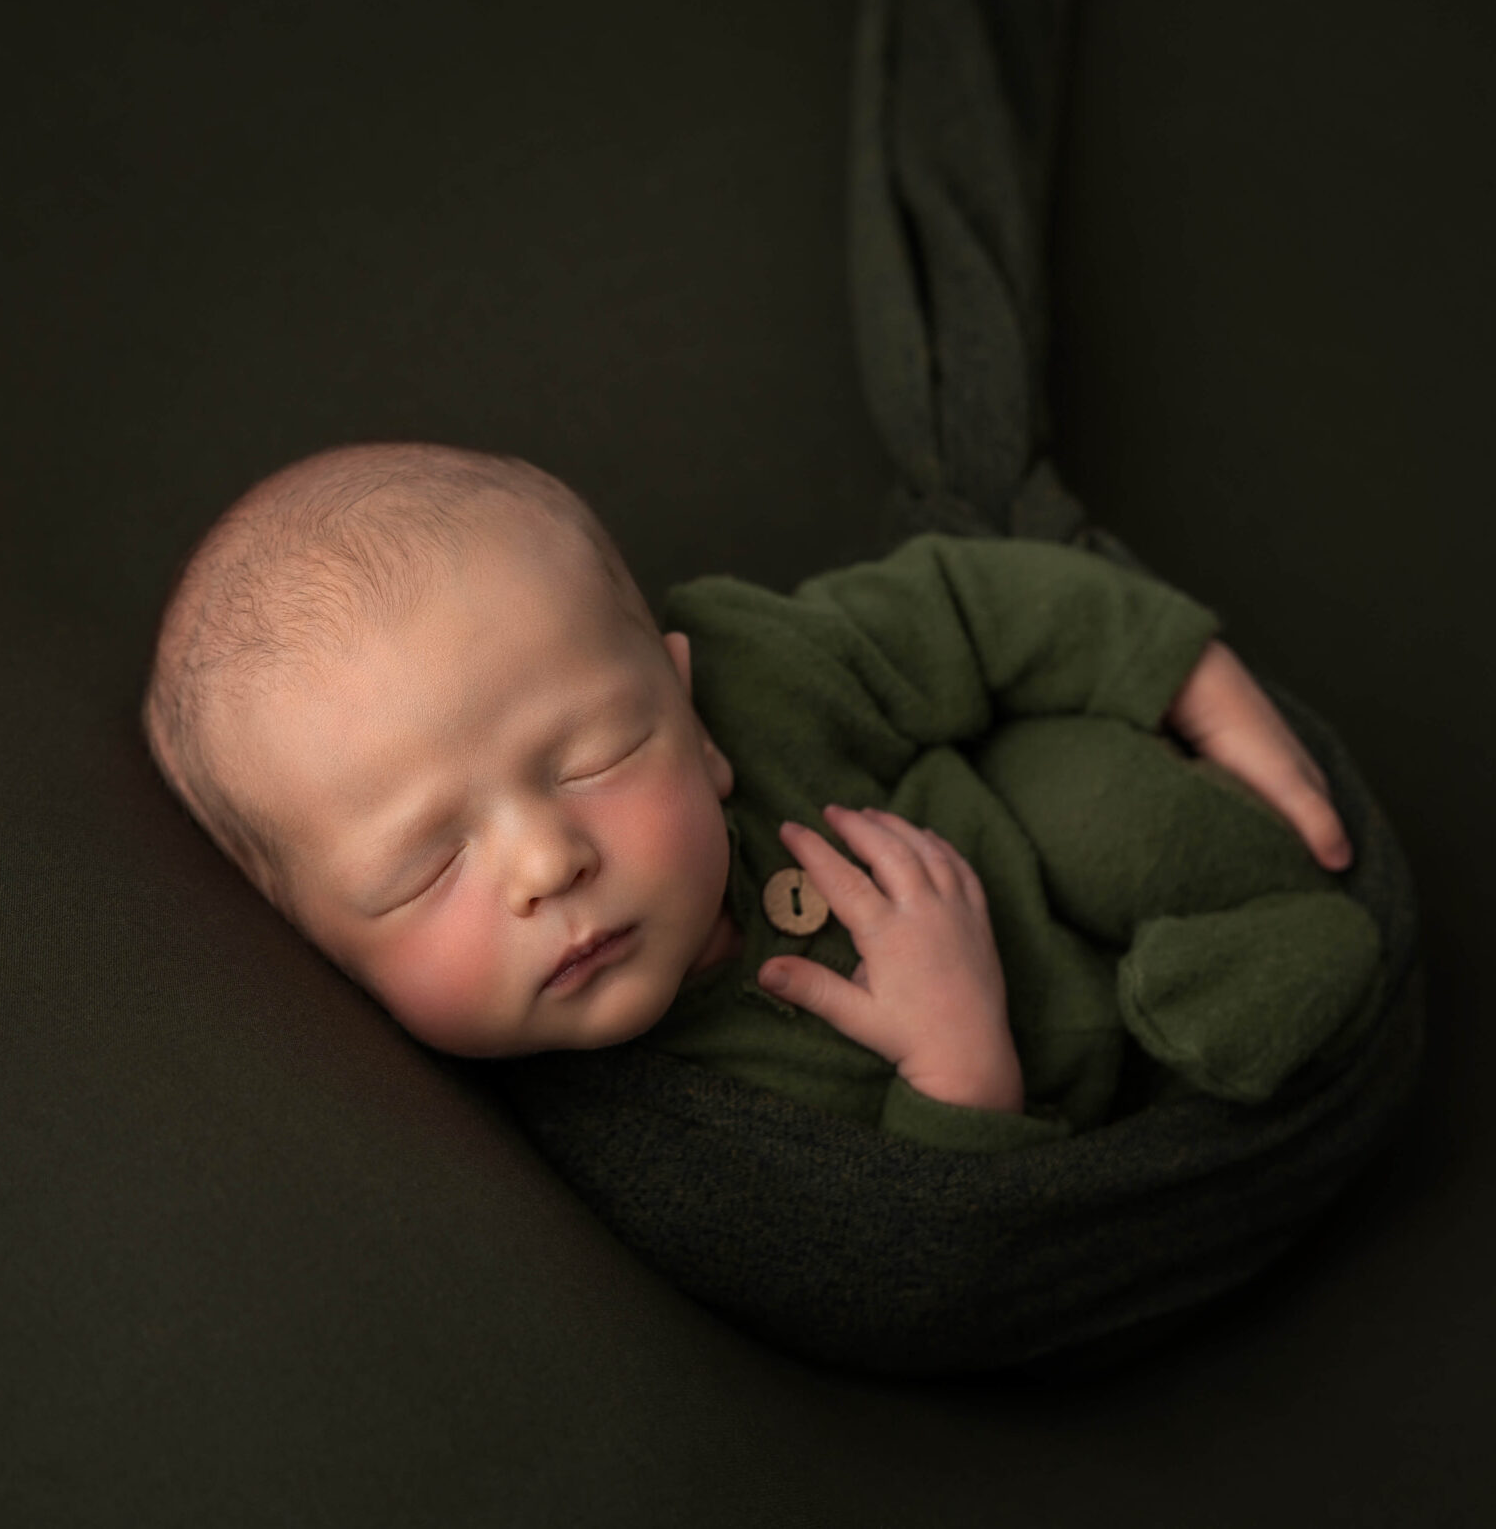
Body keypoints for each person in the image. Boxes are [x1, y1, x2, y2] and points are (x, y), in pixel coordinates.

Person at [144, 440, 1383, 1154]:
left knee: (1102, 798)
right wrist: (959, 1072)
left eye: (593, 755)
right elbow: (910, 1275)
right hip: (1075, 1140)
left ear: (686, 709)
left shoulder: (760, 675)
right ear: (320, 949)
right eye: (423, 870)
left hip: (1031, 840)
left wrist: (1182, 669)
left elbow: (966, 600)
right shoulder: (654, 1141)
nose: (544, 863)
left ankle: (1279, 925)